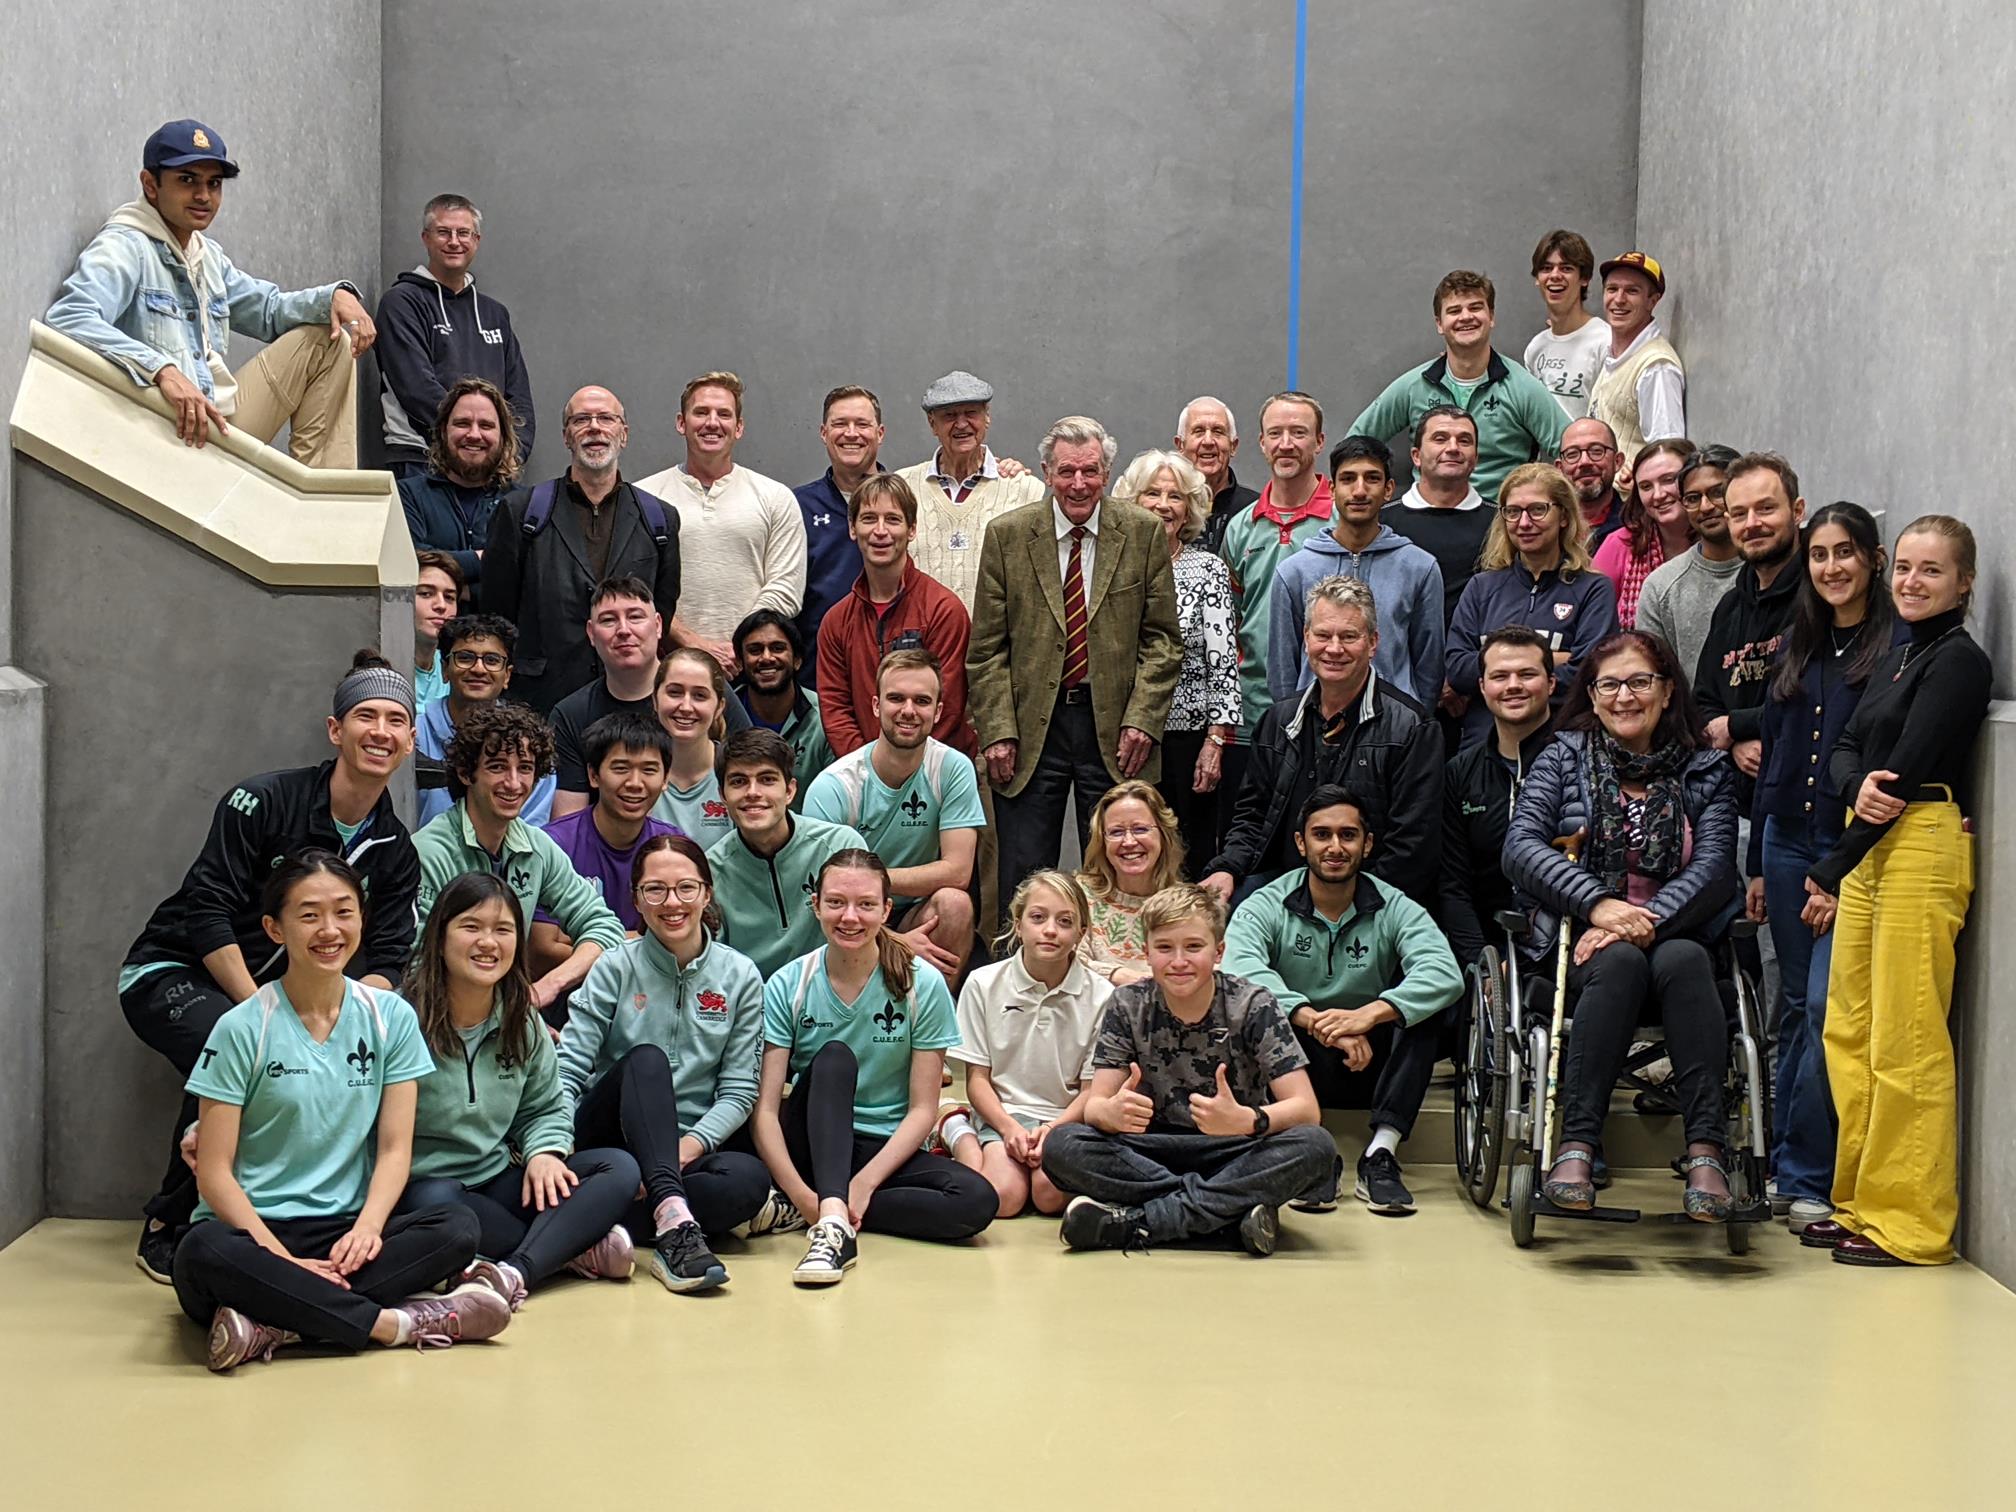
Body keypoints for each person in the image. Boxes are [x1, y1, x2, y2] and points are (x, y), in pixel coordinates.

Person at [123, 655, 420, 1282]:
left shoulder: (396, 848)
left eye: (397, 720)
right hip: (172, 972)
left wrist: (353, 1024)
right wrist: (266, 1015)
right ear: (335, 730)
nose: (381, 731)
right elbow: (207, 910)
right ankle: (172, 1221)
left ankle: (282, 1225)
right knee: (225, 1043)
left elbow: (388, 957)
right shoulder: (261, 800)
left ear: (411, 740)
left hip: (290, 996)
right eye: (366, 716)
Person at [171, 853, 506, 1371]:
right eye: (309, 915)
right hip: (253, 1234)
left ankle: (273, 1323)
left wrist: (369, 1229)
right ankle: (394, 1324)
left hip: (343, 1235)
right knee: (201, 1249)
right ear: (274, 929)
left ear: (361, 919)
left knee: (457, 1227)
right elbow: (213, 1172)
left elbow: (396, 1147)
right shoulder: (242, 1027)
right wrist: (278, 1259)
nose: (329, 930)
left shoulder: (389, 1016)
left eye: (343, 912)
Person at [1799, 517, 1991, 1268]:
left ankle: (1910, 1224)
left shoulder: (1959, 662)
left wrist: (1828, 868)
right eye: (1905, 568)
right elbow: (1846, 749)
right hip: (1868, 842)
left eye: (1932, 571)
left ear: (1964, 582)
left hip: (1918, 843)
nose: (1912, 582)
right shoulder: (1899, 652)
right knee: (1851, 1028)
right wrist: (1850, 786)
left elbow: (1905, 776)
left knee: (1906, 1039)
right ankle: (1862, 1202)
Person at [1503, 631, 1740, 1220]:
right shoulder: (1563, 756)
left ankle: (1707, 1151)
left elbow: (1714, 871)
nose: (1624, 696)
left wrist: (1643, 919)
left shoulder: (1706, 769)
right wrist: (1600, 908)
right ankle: (1578, 1143)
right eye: (1609, 684)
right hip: (1580, 944)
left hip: (1677, 935)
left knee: (1682, 960)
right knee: (1620, 961)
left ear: (1666, 692)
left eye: (1639, 682)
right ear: (1592, 693)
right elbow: (1521, 846)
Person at [46, 119, 374, 468]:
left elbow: (269, 310)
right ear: (150, 185)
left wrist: (334, 297)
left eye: (213, 184)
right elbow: (69, 318)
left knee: (329, 337)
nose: (203, 196)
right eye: (187, 180)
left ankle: (323, 495)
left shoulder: (206, 256)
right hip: (164, 431)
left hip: (215, 423)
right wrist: (162, 371)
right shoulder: (125, 246)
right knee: (327, 335)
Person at [1041, 884, 1339, 1255]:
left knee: (1317, 1147)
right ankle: (1228, 1215)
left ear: (1219, 952)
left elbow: (1306, 1110)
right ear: (1146, 953)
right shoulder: (1127, 1004)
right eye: (1165, 948)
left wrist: (1247, 1120)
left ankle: (1140, 1223)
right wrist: (1111, 1112)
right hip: (1149, 1152)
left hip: (1234, 1150)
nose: (1179, 961)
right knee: (1062, 1146)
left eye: (1194, 947)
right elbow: (1095, 1106)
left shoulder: (1254, 1004)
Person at [1750, 503, 1896, 1237]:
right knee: (1789, 1010)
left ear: (1874, 559)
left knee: (1824, 1008)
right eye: (1820, 555)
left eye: (1846, 553)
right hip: (1783, 842)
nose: (1832, 568)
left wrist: (1841, 874)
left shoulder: (1897, 651)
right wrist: (1754, 864)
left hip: (1848, 852)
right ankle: (1782, 1165)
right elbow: (1774, 757)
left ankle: (1811, 1173)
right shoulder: (1798, 644)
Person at [753, 850, 997, 1284]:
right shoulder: (789, 984)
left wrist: (862, 1185)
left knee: (976, 1200)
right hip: (812, 1139)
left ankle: (829, 1207)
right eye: (836, 903)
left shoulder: (922, 985)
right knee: (834, 1059)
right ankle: (829, 1224)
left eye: (866, 904)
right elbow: (767, 1111)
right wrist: (798, 1188)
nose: (850, 917)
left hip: (881, 1148)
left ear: (887, 909)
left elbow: (924, 1109)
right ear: (816, 906)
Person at [969, 415, 1183, 900]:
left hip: (1116, 729)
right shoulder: (1008, 536)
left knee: (1124, 870)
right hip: (1029, 732)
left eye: (1090, 471)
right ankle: (1024, 969)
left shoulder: (1143, 532)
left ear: (1107, 473)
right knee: (1024, 876)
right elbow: (985, 650)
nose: (1078, 483)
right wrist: (998, 730)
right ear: (1046, 472)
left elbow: (1163, 641)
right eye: (1066, 471)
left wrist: (1143, 721)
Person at [403, 873, 639, 1309]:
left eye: (503, 930)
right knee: (446, 1213)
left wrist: (544, 1152)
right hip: (425, 1186)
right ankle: (567, 1247)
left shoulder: (521, 1019)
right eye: (471, 927)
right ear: (439, 937)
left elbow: (545, 1107)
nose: (488, 942)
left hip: (497, 1178)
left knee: (617, 1167)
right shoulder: (402, 1019)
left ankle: (515, 1271)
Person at [1224, 787, 1463, 1215]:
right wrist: (1315, 1020)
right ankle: (1314, 1155)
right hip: (1297, 1061)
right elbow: (1239, 969)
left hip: (1374, 1062)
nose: (1335, 847)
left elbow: (1445, 972)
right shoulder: (1266, 903)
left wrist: (1369, 1015)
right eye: (1322, 834)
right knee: (1252, 1011)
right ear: (1301, 843)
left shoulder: (1394, 905)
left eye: (1348, 835)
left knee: (1424, 1014)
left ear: (1367, 844)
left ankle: (1381, 1155)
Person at [560, 836, 782, 1292]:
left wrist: (679, 1155)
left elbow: (740, 1091)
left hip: (687, 1149)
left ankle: (627, 1213)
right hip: (612, 1139)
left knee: (747, 1182)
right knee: (646, 1061)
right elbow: (568, 1069)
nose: (672, 903)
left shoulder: (740, 976)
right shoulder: (613, 968)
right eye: (655, 890)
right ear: (636, 900)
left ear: (706, 892)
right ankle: (677, 1229)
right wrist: (555, 1147)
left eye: (685, 888)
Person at [1203, 576, 1442, 904]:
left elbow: (1412, 849)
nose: (1334, 648)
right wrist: (1227, 868)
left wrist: (1350, 907)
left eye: (1349, 636)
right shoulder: (1278, 720)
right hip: (1282, 886)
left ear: (1373, 642)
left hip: (1371, 897)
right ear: (1305, 638)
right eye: (1323, 635)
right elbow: (1252, 815)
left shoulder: (1413, 729)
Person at [413, 702, 625, 1015]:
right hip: (437, 1018)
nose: (514, 783)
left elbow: (604, 927)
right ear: (465, 772)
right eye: (497, 766)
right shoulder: (431, 851)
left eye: (525, 768)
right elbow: (419, 967)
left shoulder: (536, 845)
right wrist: (511, 1018)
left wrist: (548, 986)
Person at [483, 386, 682, 715]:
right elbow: (496, 614)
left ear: (624, 434)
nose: (594, 427)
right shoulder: (521, 513)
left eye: (606, 418)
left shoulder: (660, 519)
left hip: (631, 699)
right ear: (566, 436)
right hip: (540, 701)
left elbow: (661, 610)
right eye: (581, 420)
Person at [942, 870, 1114, 1217]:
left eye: (1065, 921)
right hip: (1004, 1113)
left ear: (1081, 933)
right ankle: (955, 1127)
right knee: (1003, 1199)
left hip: (1067, 1120)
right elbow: (978, 1080)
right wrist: (1010, 1129)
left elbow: (1090, 1092)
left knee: (1050, 1197)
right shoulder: (982, 983)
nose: (1050, 930)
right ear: (1018, 924)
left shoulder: (1103, 996)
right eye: (1038, 917)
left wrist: (1052, 1130)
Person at [804, 650, 983, 979]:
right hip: (850, 915)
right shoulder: (834, 787)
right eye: (896, 698)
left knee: (955, 904)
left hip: (916, 912)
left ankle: (934, 1020)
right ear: (876, 706)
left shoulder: (952, 768)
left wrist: (871, 881)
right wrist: (894, 939)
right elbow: (823, 894)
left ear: (938, 711)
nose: (909, 711)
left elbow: (958, 872)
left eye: (922, 700)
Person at [1109, 449, 1239, 865]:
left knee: (1187, 854)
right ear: (1132, 501)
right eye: (1152, 493)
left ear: (1189, 510)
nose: (1164, 505)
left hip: (1187, 740)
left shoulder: (1208, 570)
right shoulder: (1111, 567)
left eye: (1175, 496)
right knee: (1128, 852)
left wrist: (1215, 742)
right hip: (1121, 738)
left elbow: (1223, 662)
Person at [638, 370, 805, 673]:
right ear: (681, 423)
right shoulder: (644, 498)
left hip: (751, 670)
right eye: (701, 412)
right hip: (667, 670)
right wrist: (693, 644)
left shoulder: (775, 497)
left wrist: (741, 645)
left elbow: (786, 587)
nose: (712, 422)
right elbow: (638, 588)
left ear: (738, 427)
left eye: (724, 414)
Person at [1348, 270, 1567, 501]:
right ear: (1439, 324)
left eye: (1475, 307)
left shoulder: (1523, 388)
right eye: (1454, 310)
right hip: (1424, 520)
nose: (1465, 317)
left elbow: (1571, 451)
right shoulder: (1415, 385)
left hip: (1500, 525)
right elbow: (1355, 442)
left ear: (1491, 316)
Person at [550, 578, 752, 820]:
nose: (624, 630)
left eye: (635, 617)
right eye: (608, 620)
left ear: (658, 626)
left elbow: (753, 773)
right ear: (591, 634)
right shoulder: (571, 713)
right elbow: (567, 825)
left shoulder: (706, 689)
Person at [1446, 463, 1619, 744]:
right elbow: (1456, 669)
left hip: (1562, 748)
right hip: (1483, 747)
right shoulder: (1481, 588)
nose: (1524, 523)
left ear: (1563, 515)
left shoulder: (1593, 589)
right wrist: (1552, 658)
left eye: (1538, 510)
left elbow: (1588, 673)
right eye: (1513, 512)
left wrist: (1495, 668)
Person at [1269, 435, 1445, 707]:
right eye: (1348, 479)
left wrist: (1414, 722)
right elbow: (1282, 670)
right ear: (1331, 489)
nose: (1360, 490)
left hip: (1394, 732)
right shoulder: (1294, 572)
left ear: (1388, 489)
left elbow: (1429, 668)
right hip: (1314, 728)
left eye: (1372, 478)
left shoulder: (1420, 568)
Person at [374, 194, 534, 478]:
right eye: (443, 232)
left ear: (477, 240)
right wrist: (466, 444)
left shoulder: (495, 314)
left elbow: (519, 398)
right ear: (425, 238)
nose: (454, 241)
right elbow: (416, 389)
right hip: (421, 463)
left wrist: (507, 454)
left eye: (463, 233)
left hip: (491, 468)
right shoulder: (401, 303)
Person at [817, 472, 974, 756]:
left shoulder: (943, 610)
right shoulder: (836, 622)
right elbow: (836, 712)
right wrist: (870, 770)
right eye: (868, 519)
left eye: (892, 519)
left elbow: (947, 707)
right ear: (852, 528)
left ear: (911, 529)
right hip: (864, 778)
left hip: (937, 775)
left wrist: (900, 767)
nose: (880, 531)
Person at [1218, 392, 1334, 759]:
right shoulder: (1241, 528)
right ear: (1262, 443)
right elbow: (1229, 623)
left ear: (1319, 442)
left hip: (1328, 711)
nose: (1286, 444)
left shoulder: (1342, 523)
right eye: (1275, 434)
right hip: (1251, 716)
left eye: (1298, 433)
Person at [706, 730, 868, 979]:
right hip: (751, 1003)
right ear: (722, 796)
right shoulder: (711, 870)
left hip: (831, 991)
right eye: (738, 781)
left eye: (767, 779)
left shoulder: (839, 847)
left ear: (790, 791)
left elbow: (862, 933)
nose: (753, 792)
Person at [1438, 627, 1556, 965]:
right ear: (1482, 687)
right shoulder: (1460, 773)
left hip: (1565, 948)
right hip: (1490, 951)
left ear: (1551, 683)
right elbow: (1453, 885)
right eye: (1500, 676)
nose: (1513, 685)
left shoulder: (1579, 759)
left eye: (1527, 674)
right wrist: (1483, 966)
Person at [1695, 452, 1806, 811]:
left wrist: (1737, 725)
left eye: (1766, 509)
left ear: (1798, 510)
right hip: (1737, 805)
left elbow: (1819, 697)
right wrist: (1736, 738)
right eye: (1739, 514)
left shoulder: (1822, 596)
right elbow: (1703, 700)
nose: (1752, 523)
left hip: (1805, 804)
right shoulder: (1730, 606)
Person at [530, 713, 678, 974]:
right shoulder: (552, 845)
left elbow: (680, 942)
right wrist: (644, 941)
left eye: (649, 770)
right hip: (565, 1003)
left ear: (666, 778)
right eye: (620, 768)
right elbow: (542, 949)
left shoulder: (674, 849)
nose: (635, 783)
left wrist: (582, 941)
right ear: (593, 775)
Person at [897, 370, 1044, 611]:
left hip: (997, 645)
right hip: (921, 645)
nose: (962, 424)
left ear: (987, 417)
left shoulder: (1024, 489)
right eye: (950, 415)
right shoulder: (902, 487)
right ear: (932, 424)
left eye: (971, 413)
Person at [415, 614, 555, 828]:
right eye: (465, 657)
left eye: (491, 660)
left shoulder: (529, 743)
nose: (478, 669)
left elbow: (532, 834)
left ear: (507, 675)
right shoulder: (414, 735)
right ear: (444, 669)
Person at [794, 385, 888, 672]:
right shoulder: (796, 506)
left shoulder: (904, 500)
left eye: (862, 424)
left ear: (880, 434)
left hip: (893, 676)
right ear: (824, 433)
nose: (851, 433)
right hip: (816, 678)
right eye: (840, 424)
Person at [397, 378, 522, 586]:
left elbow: (528, 579)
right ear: (443, 431)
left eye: (486, 425)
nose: (474, 434)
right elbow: (409, 562)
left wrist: (462, 589)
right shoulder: (408, 496)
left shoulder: (523, 503)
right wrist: (485, 559)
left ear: (503, 437)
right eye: (462, 423)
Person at [1636, 444, 1744, 675]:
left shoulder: (1770, 567)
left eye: (1717, 492)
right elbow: (1654, 674)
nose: (1705, 507)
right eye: (1693, 498)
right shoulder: (1661, 587)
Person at [1380, 405, 1490, 629]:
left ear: (1476, 458)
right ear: (1416, 456)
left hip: (1476, 658)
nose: (1453, 448)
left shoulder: (1503, 523)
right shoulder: (1382, 522)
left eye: (1464, 441)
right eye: (1440, 438)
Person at [1076, 781, 1188, 986]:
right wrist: (1118, 975)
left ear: (1163, 835)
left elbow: (1206, 969)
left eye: (1140, 829)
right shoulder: (1078, 896)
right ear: (1102, 841)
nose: (1128, 842)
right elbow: (1065, 963)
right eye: (1116, 832)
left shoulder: (1188, 905)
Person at [1588, 251, 1686, 465]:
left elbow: (1667, 455)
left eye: (1632, 291)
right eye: (1612, 289)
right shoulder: (1615, 357)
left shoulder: (1656, 366)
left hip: (1630, 497)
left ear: (1652, 301)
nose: (1619, 299)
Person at [1592, 437, 1696, 628]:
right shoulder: (1620, 543)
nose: (1658, 495)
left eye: (1669, 480)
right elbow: (1591, 620)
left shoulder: (1718, 540)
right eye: (1646, 486)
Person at [735, 610, 835, 805]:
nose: (766, 658)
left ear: (797, 660)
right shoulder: (720, 715)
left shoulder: (825, 717)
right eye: (755, 650)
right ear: (740, 662)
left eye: (777, 648)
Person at [651, 647, 735, 848]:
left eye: (699, 695)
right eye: (675, 693)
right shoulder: (636, 777)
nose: (686, 707)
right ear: (655, 699)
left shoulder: (738, 773)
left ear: (719, 707)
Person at [1524, 229, 1610, 420]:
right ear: (1537, 279)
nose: (1555, 275)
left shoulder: (1605, 341)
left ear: (1584, 279)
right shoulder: (1535, 348)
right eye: (1546, 268)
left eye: (1566, 268)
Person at [1175, 395, 1259, 554]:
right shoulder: (1167, 508)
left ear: (1233, 446)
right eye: (1198, 431)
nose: (1208, 441)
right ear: (1180, 445)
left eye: (1218, 431)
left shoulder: (1255, 509)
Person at [1556, 417, 1626, 550]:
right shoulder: (1545, 528)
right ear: (1559, 468)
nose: (1584, 462)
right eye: (1572, 454)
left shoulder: (1636, 526)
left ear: (1617, 461)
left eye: (1596, 451)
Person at [412, 550, 464, 709]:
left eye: (449, 597)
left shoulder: (455, 666)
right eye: (426, 594)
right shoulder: (382, 668)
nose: (441, 606)